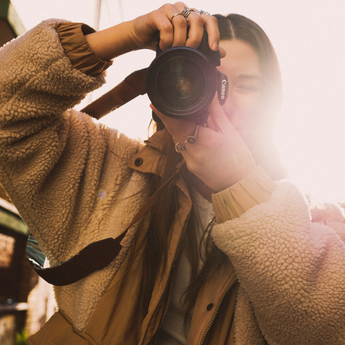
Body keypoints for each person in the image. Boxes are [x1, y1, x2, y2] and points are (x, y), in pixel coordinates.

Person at [1, 2, 345, 344]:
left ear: (274, 104)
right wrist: (128, 35)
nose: (222, 100)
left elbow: (326, 332)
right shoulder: (106, 168)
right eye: (205, 78)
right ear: (161, 89)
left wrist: (238, 185)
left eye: (247, 86)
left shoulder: (314, 224)